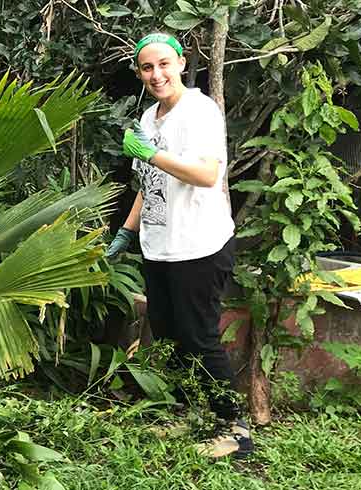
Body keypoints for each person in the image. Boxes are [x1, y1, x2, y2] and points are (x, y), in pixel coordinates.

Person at [105, 32, 253, 458]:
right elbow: (147, 184)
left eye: (164, 64)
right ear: (139, 73)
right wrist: (126, 234)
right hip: (159, 246)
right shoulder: (150, 118)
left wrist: (151, 155)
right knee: (169, 335)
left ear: (182, 64)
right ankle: (192, 413)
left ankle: (234, 429)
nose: (157, 74)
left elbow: (207, 175)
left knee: (199, 336)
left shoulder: (201, 112)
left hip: (199, 246)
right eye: (147, 67)